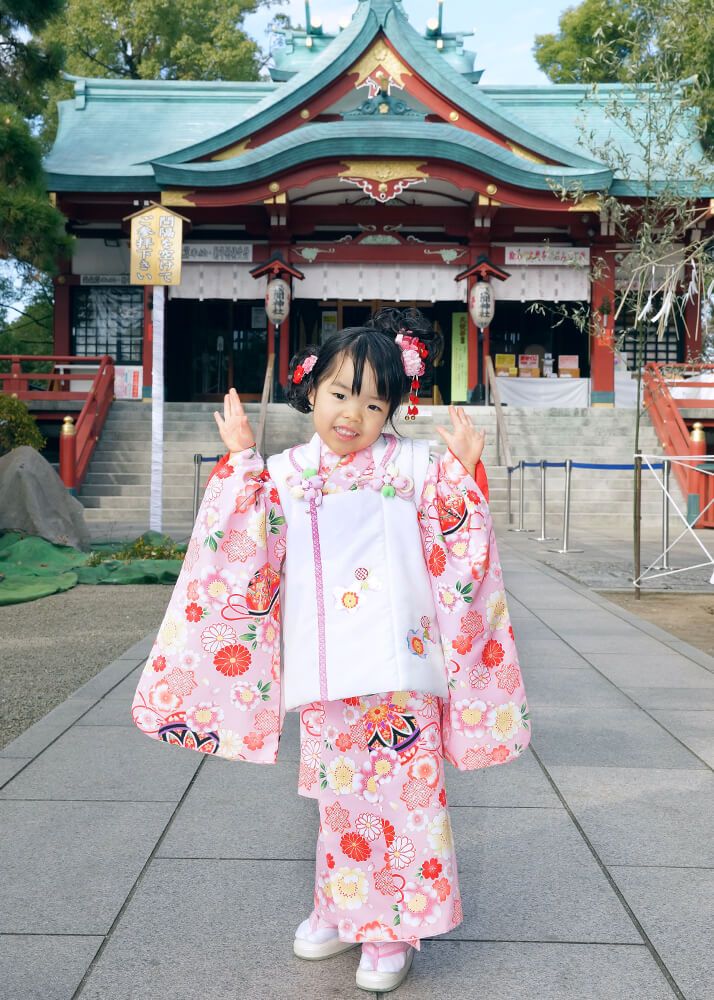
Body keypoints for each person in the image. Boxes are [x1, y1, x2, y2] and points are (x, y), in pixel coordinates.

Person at [131, 308, 531, 994]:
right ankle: (337, 904)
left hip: (401, 671)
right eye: (340, 393)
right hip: (327, 671)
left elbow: (458, 550)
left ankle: (393, 927)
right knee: (336, 795)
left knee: (405, 797)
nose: (353, 414)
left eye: (375, 403)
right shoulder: (284, 475)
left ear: (392, 411)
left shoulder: (414, 466)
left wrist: (466, 472)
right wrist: (240, 463)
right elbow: (245, 554)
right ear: (310, 390)